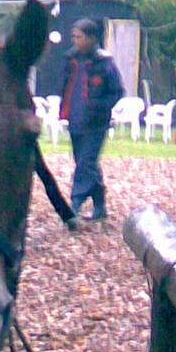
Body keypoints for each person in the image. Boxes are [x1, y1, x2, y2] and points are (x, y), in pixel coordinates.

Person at [59, 18, 124, 221]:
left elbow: (117, 92)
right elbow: (65, 87)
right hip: (75, 121)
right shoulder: (70, 60)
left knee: (85, 163)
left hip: (96, 125)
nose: (75, 41)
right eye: (74, 37)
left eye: (79, 37)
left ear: (92, 38)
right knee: (86, 163)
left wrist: (98, 108)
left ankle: (74, 204)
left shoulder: (105, 63)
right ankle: (100, 206)